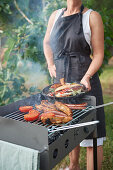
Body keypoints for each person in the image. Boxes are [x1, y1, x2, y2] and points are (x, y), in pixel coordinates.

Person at [43, 0, 106, 169]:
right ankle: (73, 166)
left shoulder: (92, 17)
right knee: (69, 125)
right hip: (61, 83)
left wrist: (87, 76)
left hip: (85, 81)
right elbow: (47, 42)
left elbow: (99, 53)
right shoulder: (55, 15)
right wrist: (50, 63)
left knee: (93, 134)